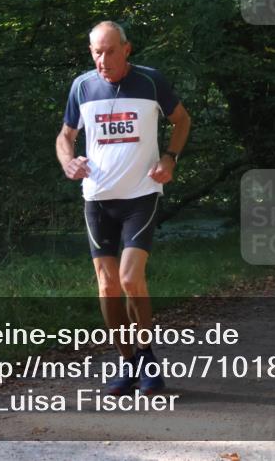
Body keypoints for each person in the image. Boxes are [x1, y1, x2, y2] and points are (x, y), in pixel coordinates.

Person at [56, 20, 191, 395]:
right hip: (97, 200)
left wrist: (170, 158)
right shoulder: (82, 87)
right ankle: (127, 362)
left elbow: (181, 121)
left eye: (110, 51)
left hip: (141, 195)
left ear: (126, 49)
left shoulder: (150, 82)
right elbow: (65, 136)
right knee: (107, 287)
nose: (103, 59)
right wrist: (68, 161)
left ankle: (147, 359)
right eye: (97, 52)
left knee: (131, 279)